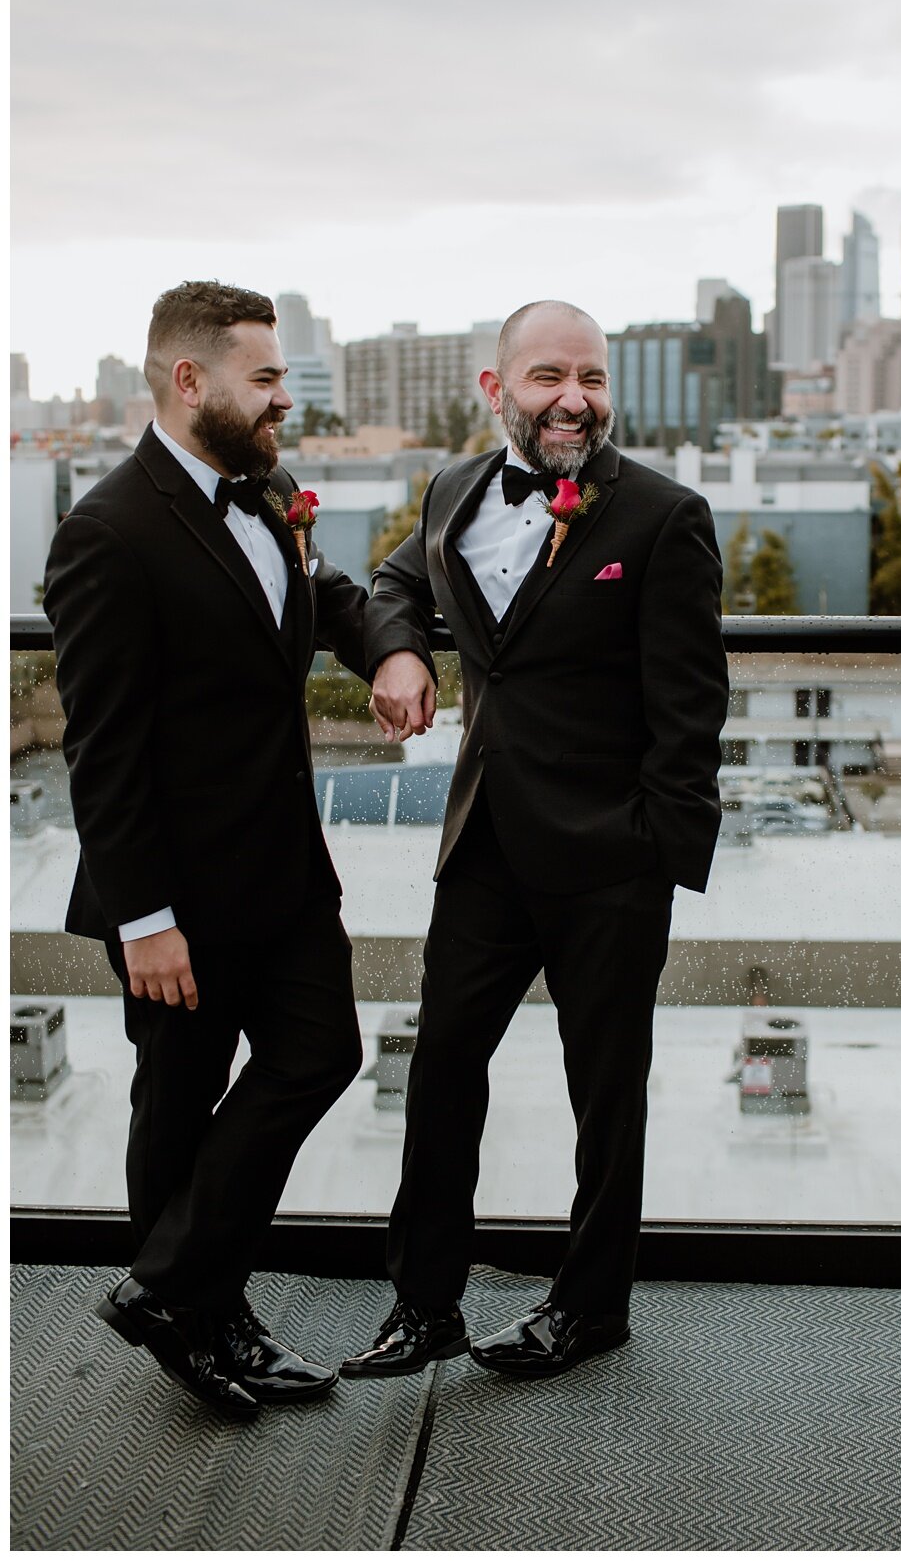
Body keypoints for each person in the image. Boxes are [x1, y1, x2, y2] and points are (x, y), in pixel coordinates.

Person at [342, 298, 726, 1385]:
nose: (575, 398)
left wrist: (655, 856)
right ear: (496, 389)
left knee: (606, 1095)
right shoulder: (455, 488)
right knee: (442, 1073)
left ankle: (590, 1307)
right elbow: (397, 583)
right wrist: (400, 653)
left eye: (593, 378)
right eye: (551, 375)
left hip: (610, 861)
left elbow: (693, 711)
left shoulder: (664, 516)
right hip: (484, 850)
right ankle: (424, 1304)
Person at [42, 284, 378, 1431]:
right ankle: (206, 1318)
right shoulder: (106, 532)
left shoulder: (270, 492)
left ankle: (170, 1289)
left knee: (322, 1051)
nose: (286, 397)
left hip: (284, 871)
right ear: (191, 381)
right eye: (267, 378)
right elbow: (103, 750)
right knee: (178, 1107)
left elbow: (317, 593)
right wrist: (144, 919)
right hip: (176, 897)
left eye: (284, 375)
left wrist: (386, 647)